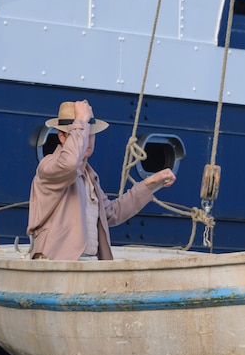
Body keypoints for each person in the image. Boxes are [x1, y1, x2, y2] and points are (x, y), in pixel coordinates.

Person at [27, 100, 176, 260]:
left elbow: (112, 213)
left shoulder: (89, 176)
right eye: (81, 132)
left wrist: (151, 183)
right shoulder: (48, 166)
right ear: (62, 137)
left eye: (90, 133)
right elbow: (69, 164)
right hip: (56, 265)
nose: (87, 138)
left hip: (87, 266)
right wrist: (81, 121)